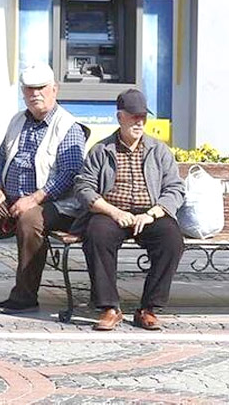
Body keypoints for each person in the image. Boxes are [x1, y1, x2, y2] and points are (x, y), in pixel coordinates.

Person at [0, 63, 86, 313]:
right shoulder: (17, 120)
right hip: (11, 198)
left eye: (41, 88)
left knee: (30, 220)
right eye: (29, 89)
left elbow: (70, 174)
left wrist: (35, 198)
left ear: (54, 90)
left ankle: (25, 296)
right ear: (23, 92)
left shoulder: (68, 126)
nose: (35, 93)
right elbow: (2, 157)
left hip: (53, 203)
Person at [72, 89, 185, 331]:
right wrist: (113, 212)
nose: (139, 122)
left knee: (171, 238)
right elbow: (84, 187)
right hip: (112, 211)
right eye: (134, 116)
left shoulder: (158, 150)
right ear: (120, 117)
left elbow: (175, 188)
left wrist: (153, 213)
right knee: (97, 235)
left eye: (143, 116)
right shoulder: (102, 150)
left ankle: (148, 308)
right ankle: (109, 307)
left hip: (149, 212)